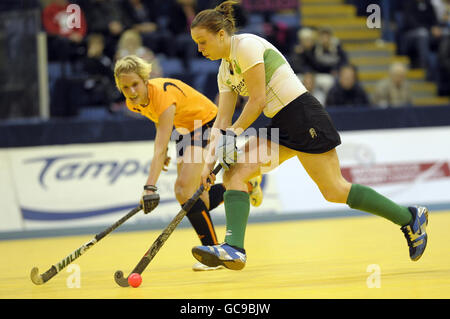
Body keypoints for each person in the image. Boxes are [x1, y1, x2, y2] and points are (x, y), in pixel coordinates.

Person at [189, 1, 429, 270]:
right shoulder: (226, 70)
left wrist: (233, 134)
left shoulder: (246, 47)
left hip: (303, 115)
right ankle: (234, 248)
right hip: (280, 123)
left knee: (335, 190)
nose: (199, 49)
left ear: (221, 34)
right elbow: (221, 120)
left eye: (202, 42)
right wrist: (207, 164)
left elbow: (256, 101)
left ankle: (408, 217)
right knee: (234, 174)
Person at [113, 55, 263, 271]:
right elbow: (159, 123)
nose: (132, 91)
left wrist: (149, 187)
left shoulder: (161, 95)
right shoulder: (133, 103)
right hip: (185, 130)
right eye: (126, 87)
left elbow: (159, 142)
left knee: (183, 190)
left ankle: (212, 251)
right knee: (197, 198)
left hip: (207, 122)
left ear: (145, 80)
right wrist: (163, 151)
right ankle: (248, 187)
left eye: (135, 84)